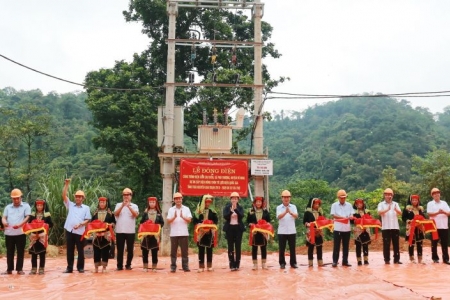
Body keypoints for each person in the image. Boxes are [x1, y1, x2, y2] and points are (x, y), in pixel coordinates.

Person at [62, 179, 92, 273]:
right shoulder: (70, 205)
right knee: (70, 250)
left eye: (80, 197)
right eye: (76, 197)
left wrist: (80, 224)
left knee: (80, 250)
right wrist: (67, 185)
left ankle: (80, 267)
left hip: (80, 232)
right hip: (70, 231)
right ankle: (69, 267)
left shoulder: (86, 208)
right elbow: (64, 196)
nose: (78, 198)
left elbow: (88, 220)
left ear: (83, 198)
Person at [1, 188, 31, 275]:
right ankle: (9, 269)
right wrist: (4, 222)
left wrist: (20, 224)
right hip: (9, 234)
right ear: (12, 199)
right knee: (9, 251)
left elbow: (27, 217)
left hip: (20, 233)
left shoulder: (26, 206)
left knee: (20, 251)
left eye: (17, 198)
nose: (16, 200)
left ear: (21, 197)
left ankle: (19, 269)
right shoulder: (8, 207)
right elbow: (4, 217)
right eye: (14, 198)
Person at [114, 187, 139, 271]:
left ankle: (128, 264)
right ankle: (119, 265)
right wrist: (122, 206)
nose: (126, 196)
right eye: (124, 195)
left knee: (130, 249)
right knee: (120, 249)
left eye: (128, 195)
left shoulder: (134, 206)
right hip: (120, 230)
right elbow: (115, 214)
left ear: (131, 196)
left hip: (130, 231)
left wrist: (129, 207)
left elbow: (135, 215)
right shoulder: (118, 204)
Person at [26, 199, 53, 274]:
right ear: (35, 206)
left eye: (41, 205)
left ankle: (41, 268)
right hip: (34, 236)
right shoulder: (33, 214)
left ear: (43, 206)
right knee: (33, 253)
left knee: (42, 253)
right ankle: (33, 268)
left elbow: (51, 224)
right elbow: (29, 224)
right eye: (38, 205)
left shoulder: (46, 215)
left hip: (42, 236)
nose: (39, 207)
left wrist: (44, 225)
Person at [89, 197, 115, 273]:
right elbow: (92, 222)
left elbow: (113, 223)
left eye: (103, 202)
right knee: (96, 251)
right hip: (96, 235)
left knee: (105, 251)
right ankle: (96, 268)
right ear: (99, 203)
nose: (102, 204)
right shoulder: (95, 213)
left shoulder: (110, 213)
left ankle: (104, 268)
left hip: (106, 235)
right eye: (100, 202)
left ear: (106, 203)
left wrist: (110, 225)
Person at [167, 192, 192, 272]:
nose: (178, 200)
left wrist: (182, 216)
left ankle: (185, 266)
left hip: (184, 233)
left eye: (179, 198)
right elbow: (168, 221)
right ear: (174, 200)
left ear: (182, 199)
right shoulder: (171, 209)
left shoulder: (186, 209)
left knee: (184, 251)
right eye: (176, 199)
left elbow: (189, 220)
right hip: (174, 234)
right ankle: (173, 267)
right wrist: (174, 217)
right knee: (173, 252)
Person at [193, 194, 218, 272]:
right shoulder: (198, 211)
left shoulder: (213, 211)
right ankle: (201, 266)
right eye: (206, 202)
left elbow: (216, 221)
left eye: (209, 202)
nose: (208, 204)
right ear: (203, 202)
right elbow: (194, 221)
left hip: (209, 232)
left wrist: (211, 223)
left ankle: (209, 266)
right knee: (201, 249)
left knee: (210, 249)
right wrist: (200, 223)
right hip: (201, 232)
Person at [139, 196, 164, 272]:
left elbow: (162, 223)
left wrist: (156, 226)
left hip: (155, 236)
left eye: (153, 202)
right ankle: (145, 266)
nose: (152, 204)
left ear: (156, 203)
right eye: (150, 202)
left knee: (154, 251)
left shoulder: (159, 213)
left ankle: (154, 267)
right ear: (148, 203)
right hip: (146, 235)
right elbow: (141, 222)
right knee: (145, 251)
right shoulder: (145, 213)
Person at [377, 188, 402, 264]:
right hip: (386, 227)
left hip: (395, 227)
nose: (388, 196)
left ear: (392, 195)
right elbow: (379, 212)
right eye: (387, 195)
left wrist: (395, 210)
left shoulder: (395, 204)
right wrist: (387, 209)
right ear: (384, 195)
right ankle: (387, 260)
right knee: (386, 244)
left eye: (390, 195)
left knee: (396, 244)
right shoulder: (381, 204)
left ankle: (396, 259)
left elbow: (400, 213)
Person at [247, 196, 272, 270]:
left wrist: (265, 226)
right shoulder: (251, 211)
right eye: (257, 202)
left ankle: (264, 263)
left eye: (260, 202)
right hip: (254, 232)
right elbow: (248, 221)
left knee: (263, 247)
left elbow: (268, 221)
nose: (258, 203)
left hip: (263, 232)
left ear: (262, 203)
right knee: (254, 248)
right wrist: (250, 224)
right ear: (254, 203)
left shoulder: (265, 211)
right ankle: (255, 264)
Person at [330, 189, 354, 267]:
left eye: (344, 197)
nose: (343, 199)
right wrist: (343, 218)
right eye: (341, 197)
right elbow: (333, 215)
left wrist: (350, 217)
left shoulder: (349, 205)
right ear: (338, 198)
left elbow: (352, 214)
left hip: (347, 228)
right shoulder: (334, 205)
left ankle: (345, 261)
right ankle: (335, 261)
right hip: (338, 228)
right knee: (336, 245)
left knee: (346, 245)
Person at [426, 187, 450, 264]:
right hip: (434, 227)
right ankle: (435, 258)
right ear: (432, 195)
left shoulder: (444, 203)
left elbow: (449, 213)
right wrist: (438, 213)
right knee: (434, 243)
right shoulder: (430, 203)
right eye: (434, 193)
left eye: (437, 193)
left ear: (440, 194)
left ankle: (446, 258)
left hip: (444, 226)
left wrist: (444, 212)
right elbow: (429, 213)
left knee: (444, 243)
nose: (436, 194)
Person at [223, 191, 245, 271]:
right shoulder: (227, 207)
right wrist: (231, 211)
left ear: (238, 199)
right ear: (230, 199)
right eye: (233, 198)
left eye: (236, 198)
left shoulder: (240, 207)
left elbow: (242, 216)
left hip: (238, 229)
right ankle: (231, 264)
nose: (234, 200)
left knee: (238, 247)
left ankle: (237, 264)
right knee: (230, 247)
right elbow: (225, 216)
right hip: (230, 229)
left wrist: (235, 210)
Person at [276, 190, 298, 269]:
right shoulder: (279, 207)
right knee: (282, 248)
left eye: (288, 197)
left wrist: (291, 212)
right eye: (284, 197)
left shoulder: (293, 207)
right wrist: (285, 212)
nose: (286, 199)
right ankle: (282, 263)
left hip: (292, 231)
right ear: (282, 198)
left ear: (290, 198)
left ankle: (293, 263)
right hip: (282, 231)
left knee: (292, 248)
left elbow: (296, 216)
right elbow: (278, 216)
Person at [402, 194, 425, 264]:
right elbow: (403, 218)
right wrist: (409, 220)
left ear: (418, 201)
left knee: (420, 243)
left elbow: (423, 217)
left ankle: (420, 259)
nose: (414, 201)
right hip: (410, 227)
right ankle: (411, 258)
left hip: (419, 227)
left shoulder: (420, 208)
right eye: (413, 200)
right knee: (411, 242)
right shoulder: (407, 208)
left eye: (416, 200)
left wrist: (421, 220)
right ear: (410, 201)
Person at [303, 198, 324, 267]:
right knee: (311, 247)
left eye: (318, 204)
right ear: (312, 204)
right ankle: (310, 262)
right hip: (311, 231)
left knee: (319, 246)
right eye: (315, 204)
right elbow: (304, 222)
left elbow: (322, 221)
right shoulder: (307, 212)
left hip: (319, 232)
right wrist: (308, 224)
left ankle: (320, 262)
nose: (317, 205)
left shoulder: (320, 212)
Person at [352, 198, 371, 266]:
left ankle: (366, 260)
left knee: (365, 245)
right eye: (357, 203)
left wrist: (365, 227)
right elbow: (352, 222)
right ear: (355, 205)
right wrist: (354, 220)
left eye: (360, 203)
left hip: (366, 230)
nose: (359, 204)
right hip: (358, 230)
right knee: (358, 246)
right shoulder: (354, 213)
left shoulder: (367, 212)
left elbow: (370, 220)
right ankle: (359, 260)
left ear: (363, 204)